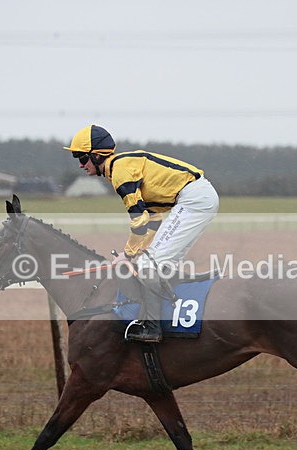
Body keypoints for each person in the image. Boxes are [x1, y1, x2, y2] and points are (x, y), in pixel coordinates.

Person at [64, 124, 219, 343]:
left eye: (82, 158)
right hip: (198, 198)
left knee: (148, 265)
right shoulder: (120, 168)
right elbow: (153, 218)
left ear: (97, 156)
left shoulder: (120, 171)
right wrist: (137, 252)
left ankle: (152, 327)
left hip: (194, 200)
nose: (80, 165)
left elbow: (139, 221)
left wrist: (127, 254)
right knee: (154, 263)